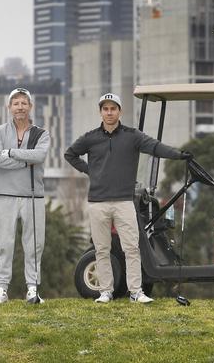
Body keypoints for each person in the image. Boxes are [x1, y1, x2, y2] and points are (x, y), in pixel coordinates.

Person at [64, 92, 192, 304]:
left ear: (119, 111)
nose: (109, 112)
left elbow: (155, 147)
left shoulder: (132, 136)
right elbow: (70, 154)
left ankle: (136, 292)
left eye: (113, 108)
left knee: (131, 248)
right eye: (105, 109)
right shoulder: (90, 137)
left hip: (124, 201)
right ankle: (106, 292)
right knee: (102, 249)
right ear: (101, 112)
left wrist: (179, 154)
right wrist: (90, 171)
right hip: (98, 202)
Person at [0, 87, 50, 304]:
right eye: (16, 103)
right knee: (4, 244)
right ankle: (1, 289)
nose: (20, 107)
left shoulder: (41, 133)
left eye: (24, 103)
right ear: (9, 107)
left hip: (33, 195)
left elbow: (40, 155)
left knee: (34, 244)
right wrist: (27, 161)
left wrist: (13, 153)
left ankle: (32, 289)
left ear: (30, 106)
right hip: (5, 194)